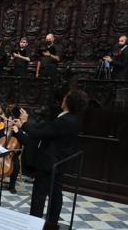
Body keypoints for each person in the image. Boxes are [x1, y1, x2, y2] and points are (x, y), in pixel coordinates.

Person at [13, 90, 88, 223]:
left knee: (39, 196)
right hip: (60, 161)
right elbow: (45, 127)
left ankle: (34, 224)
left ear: (68, 102)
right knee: (55, 193)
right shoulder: (74, 118)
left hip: (49, 163)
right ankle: (52, 223)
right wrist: (26, 123)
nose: (63, 99)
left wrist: (24, 123)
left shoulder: (64, 120)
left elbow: (40, 133)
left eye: (65, 97)